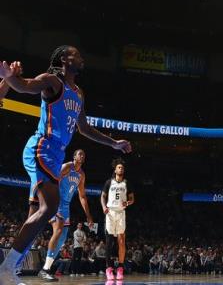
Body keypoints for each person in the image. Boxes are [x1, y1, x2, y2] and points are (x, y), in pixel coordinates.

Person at [0, 46, 132, 285]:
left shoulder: (79, 93)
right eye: (76, 54)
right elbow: (25, 86)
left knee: (38, 214)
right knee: (50, 206)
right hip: (41, 148)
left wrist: (113, 143)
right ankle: (6, 268)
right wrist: (9, 77)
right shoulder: (52, 81)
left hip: (56, 156)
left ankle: (11, 269)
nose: (81, 58)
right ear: (63, 59)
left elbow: (84, 128)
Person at [38, 149, 94, 281]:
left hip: (66, 206)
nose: (82, 156)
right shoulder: (67, 167)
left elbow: (82, 196)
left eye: (84, 155)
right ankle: (45, 270)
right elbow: (52, 180)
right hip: (56, 201)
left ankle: (46, 268)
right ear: (74, 157)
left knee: (62, 237)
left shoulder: (81, 174)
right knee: (57, 231)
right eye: (80, 154)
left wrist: (88, 215)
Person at [101, 158, 135, 281]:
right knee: (109, 242)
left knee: (121, 241)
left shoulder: (126, 183)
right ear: (115, 170)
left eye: (122, 168)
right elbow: (102, 196)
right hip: (110, 212)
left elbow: (132, 199)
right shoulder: (109, 182)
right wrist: (104, 207)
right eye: (119, 167)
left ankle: (120, 268)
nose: (121, 169)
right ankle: (109, 268)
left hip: (121, 212)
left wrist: (128, 202)